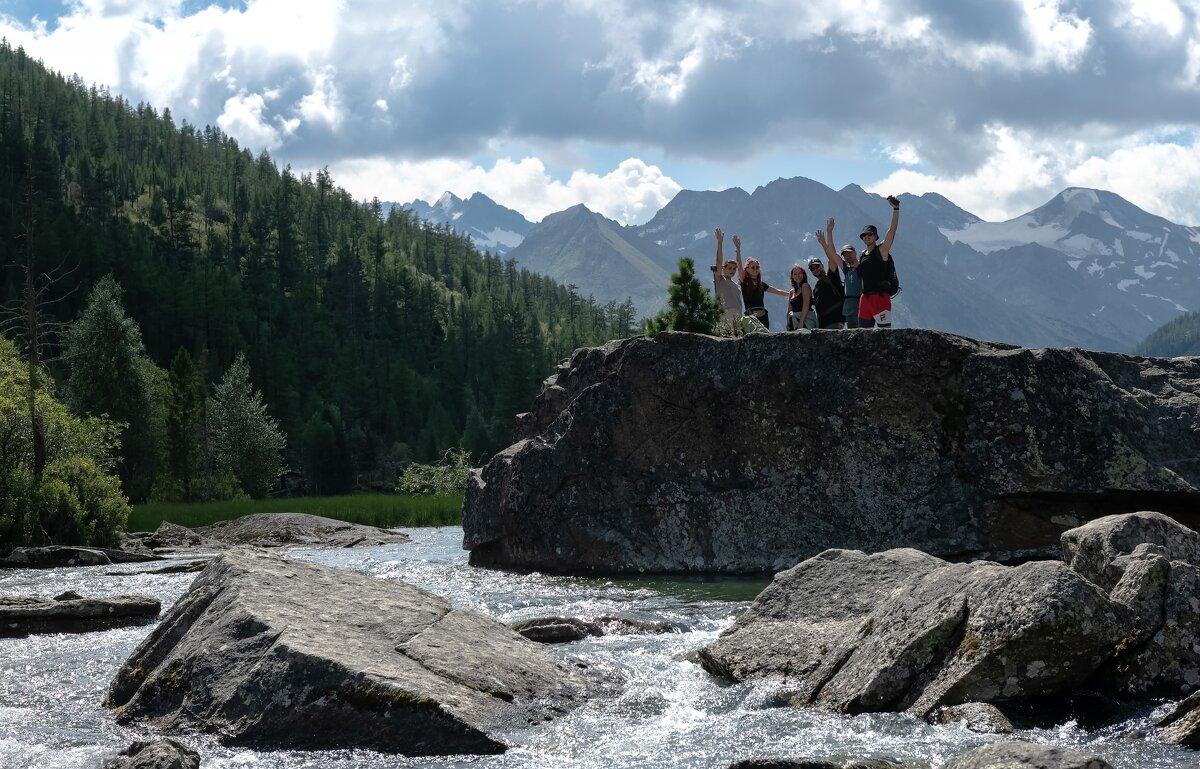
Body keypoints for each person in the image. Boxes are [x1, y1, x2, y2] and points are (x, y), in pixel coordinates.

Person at [855, 195, 901, 328]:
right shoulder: (862, 255)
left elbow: (892, 231)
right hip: (865, 299)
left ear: (876, 236)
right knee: (863, 337)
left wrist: (896, 209)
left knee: (885, 335)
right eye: (864, 235)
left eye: (870, 234)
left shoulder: (882, 250)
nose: (867, 237)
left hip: (880, 298)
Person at [735, 235, 790, 330]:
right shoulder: (745, 282)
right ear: (747, 269)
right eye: (753, 267)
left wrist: (792, 294)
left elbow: (778, 291)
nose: (755, 269)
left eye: (757, 267)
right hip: (751, 318)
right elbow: (739, 266)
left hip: (763, 317)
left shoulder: (761, 284)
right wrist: (738, 250)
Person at [816, 218, 863, 328]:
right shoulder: (846, 270)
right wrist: (829, 232)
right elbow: (833, 254)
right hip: (849, 309)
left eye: (849, 253)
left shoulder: (863, 268)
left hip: (862, 307)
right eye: (845, 255)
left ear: (855, 252)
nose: (847, 256)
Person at [712, 228, 742, 330]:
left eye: (734, 269)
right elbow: (719, 261)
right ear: (724, 268)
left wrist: (738, 250)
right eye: (729, 268)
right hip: (725, 314)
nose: (732, 270)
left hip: (737, 315)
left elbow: (740, 267)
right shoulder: (720, 279)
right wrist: (720, 242)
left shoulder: (736, 284)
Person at [807, 253, 845, 330]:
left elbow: (832, 259)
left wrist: (824, 243)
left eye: (817, 266)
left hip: (835, 320)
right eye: (812, 269)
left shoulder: (832, 278)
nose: (815, 270)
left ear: (822, 266)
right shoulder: (816, 288)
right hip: (822, 323)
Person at [786, 263, 814, 331]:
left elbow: (806, 305)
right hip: (794, 322)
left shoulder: (805, 286)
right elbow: (789, 310)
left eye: (800, 273)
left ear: (803, 275)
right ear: (792, 276)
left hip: (805, 322)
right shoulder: (792, 292)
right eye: (795, 274)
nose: (797, 276)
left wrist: (801, 323)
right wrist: (788, 324)